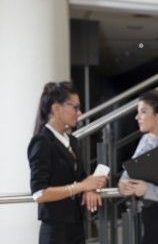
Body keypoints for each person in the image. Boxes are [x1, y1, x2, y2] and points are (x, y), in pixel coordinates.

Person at [28, 81, 108, 244]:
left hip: (76, 227)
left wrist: (91, 188)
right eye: (75, 107)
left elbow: (82, 178)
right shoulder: (42, 141)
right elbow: (39, 193)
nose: (79, 112)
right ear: (56, 108)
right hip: (55, 232)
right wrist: (81, 187)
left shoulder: (71, 140)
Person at [118, 90, 158, 244]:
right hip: (150, 219)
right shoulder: (145, 140)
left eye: (143, 111)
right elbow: (128, 174)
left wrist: (148, 190)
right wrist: (123, 184)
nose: (137, 117)